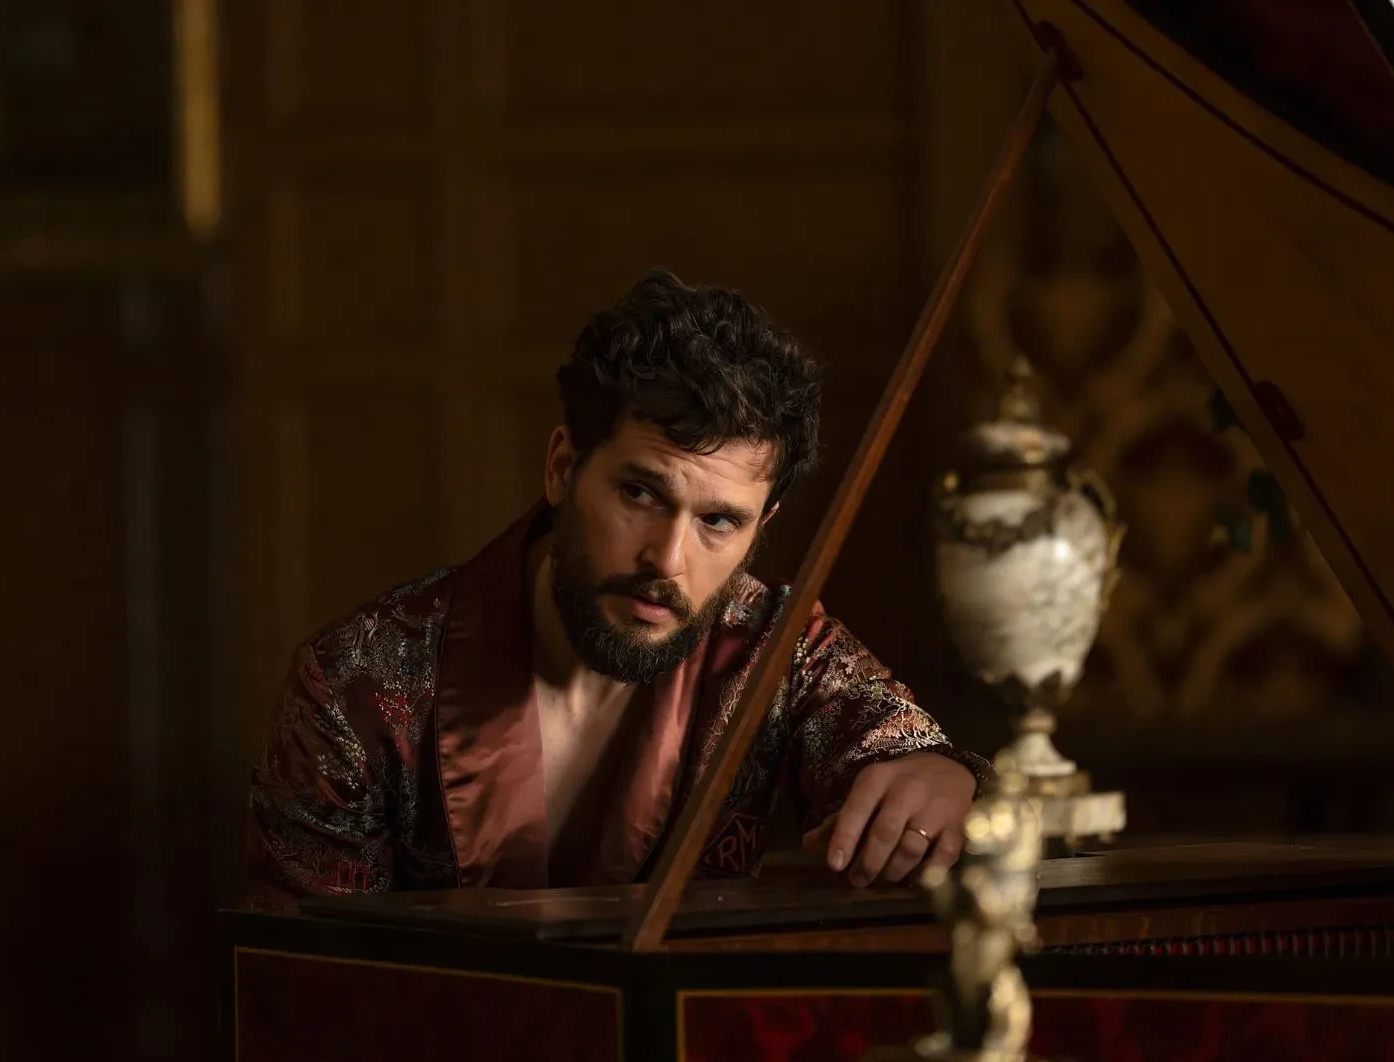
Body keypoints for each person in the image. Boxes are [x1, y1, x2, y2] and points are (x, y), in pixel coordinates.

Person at [245, 270, 988, 910]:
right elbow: (312, 991)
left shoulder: (777, 652)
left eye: (719, 522)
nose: (667, 559)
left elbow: (903, 750)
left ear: (761, 530)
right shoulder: (356, 687)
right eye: (639, 492)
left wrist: (940, 774)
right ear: (564, 468)